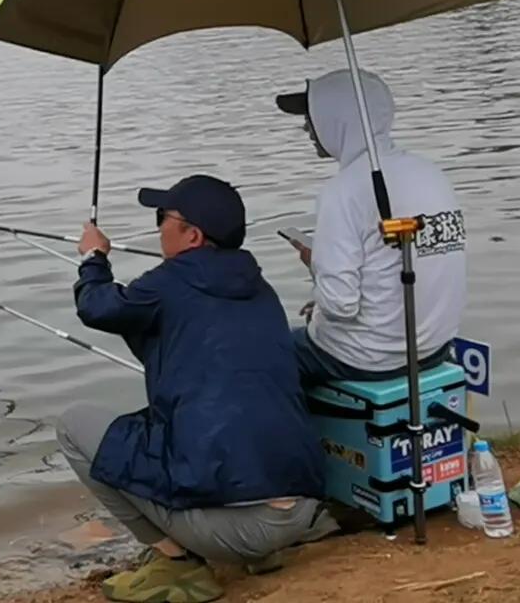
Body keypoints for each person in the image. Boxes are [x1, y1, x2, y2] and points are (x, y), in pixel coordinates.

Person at [55, 176, 332, 603]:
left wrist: (94, 257)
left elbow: (98, 307)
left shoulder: (168, 283)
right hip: (300, 511)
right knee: (198, 419)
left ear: (193, 235)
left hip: (237, 529)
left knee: (74, 426)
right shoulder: (261, 289)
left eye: (162, 217)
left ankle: (178, 563)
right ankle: (259, 552)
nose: (157, 228)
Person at [277, 70, 466, 386]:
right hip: (435, 347)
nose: (306, 127)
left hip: (366, 358)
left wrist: (317, 267)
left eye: (311, 116)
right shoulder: (431, 173)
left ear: (338, 117)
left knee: (261, 355)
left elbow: (340, 306)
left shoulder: (343, 191)